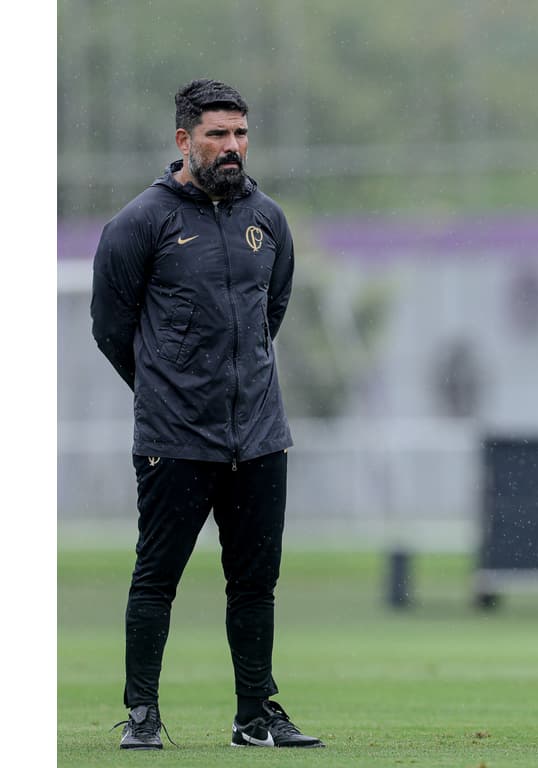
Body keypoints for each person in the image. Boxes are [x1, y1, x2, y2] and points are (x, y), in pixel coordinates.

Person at [91, 79, 323, 750]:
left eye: (241, 134)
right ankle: (142, 714)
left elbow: (269, 314)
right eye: (218, 134)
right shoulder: (142, 222)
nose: (232, 147)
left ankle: (255, 717)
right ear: (183, 139)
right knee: (156, 578)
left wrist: (238, 382)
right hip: (175, 438)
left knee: (255, 584)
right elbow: (111, 328)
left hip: (258, 437)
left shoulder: (269, 221)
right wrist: (166, 390)